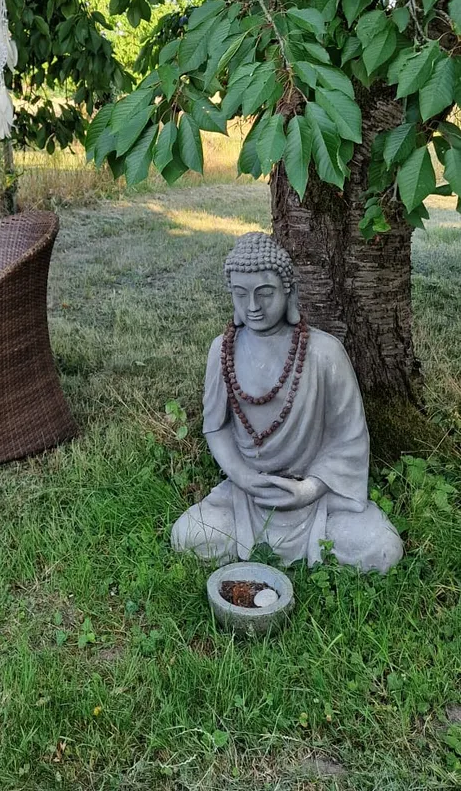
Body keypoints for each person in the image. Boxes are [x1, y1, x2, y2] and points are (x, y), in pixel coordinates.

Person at [171, 231, 403, 573]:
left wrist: (309, 490)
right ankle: (292, 549)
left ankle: (292, 544)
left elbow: (349, 440)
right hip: (249, 495)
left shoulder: (325, 353)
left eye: (264, 294)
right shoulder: (223, 350)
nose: (252, 307)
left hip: (318, 498)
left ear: (288, 291)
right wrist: (244, 478)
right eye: (240, 294)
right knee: (186, 535)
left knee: (383, 548)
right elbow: (216, 427)